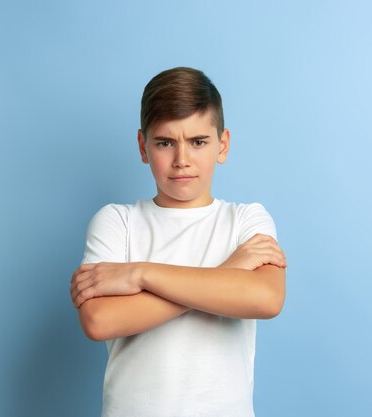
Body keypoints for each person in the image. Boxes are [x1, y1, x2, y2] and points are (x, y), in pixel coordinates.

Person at [70, 67, 287, 417]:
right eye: (165, 142)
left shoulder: (246, 220)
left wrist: (140, 275)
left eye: (198, 142)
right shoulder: (116, 222)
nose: (182, 159)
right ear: (143, 146)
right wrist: (227, 272)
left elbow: (266, 298)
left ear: (223, 145)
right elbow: (99, 321)